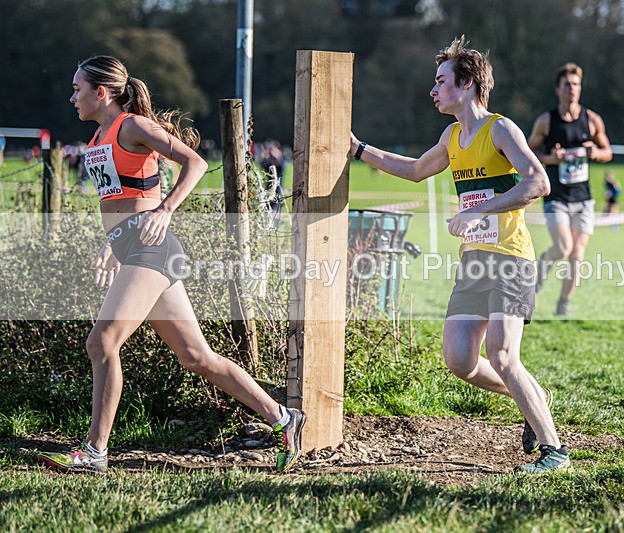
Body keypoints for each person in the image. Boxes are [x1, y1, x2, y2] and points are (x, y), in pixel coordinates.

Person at [36, 55, 304, 474]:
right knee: (197, 357)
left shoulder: (133, 126)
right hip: (134, 249)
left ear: (101, 92)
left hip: (153, 250)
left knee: (101, 342)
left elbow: (194, 164)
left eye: (77, 88)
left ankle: (94, 453)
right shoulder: (98, 138)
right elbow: (123, 201)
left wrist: (166, 210)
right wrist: (112, 245)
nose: (73, 97)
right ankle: (285, 420)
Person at [350, 36, 569, 474]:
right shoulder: (452, 136)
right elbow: (414, 171)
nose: (432, 90)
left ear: (467, 83)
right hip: (474, 261)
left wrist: (479, 211)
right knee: (460, 359)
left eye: (440, 81)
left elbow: (538, 184)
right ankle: (534, 398)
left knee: (504, 355)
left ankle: (553, 451)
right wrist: (358, 150)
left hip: (510, 256)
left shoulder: (501, 129)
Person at [528, 63, 613, 316]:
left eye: (576, 84)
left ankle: (563, 303)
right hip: (556, 197)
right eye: (567, 85)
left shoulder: (592, 119)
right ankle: (541, 268)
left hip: (583, 198)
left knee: (577, 256)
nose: (572, 89)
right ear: (558, 89)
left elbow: (608, 152)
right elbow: (528, 152)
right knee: (563, 248)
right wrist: (550, 159)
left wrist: (594, 153)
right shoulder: (546, 121)